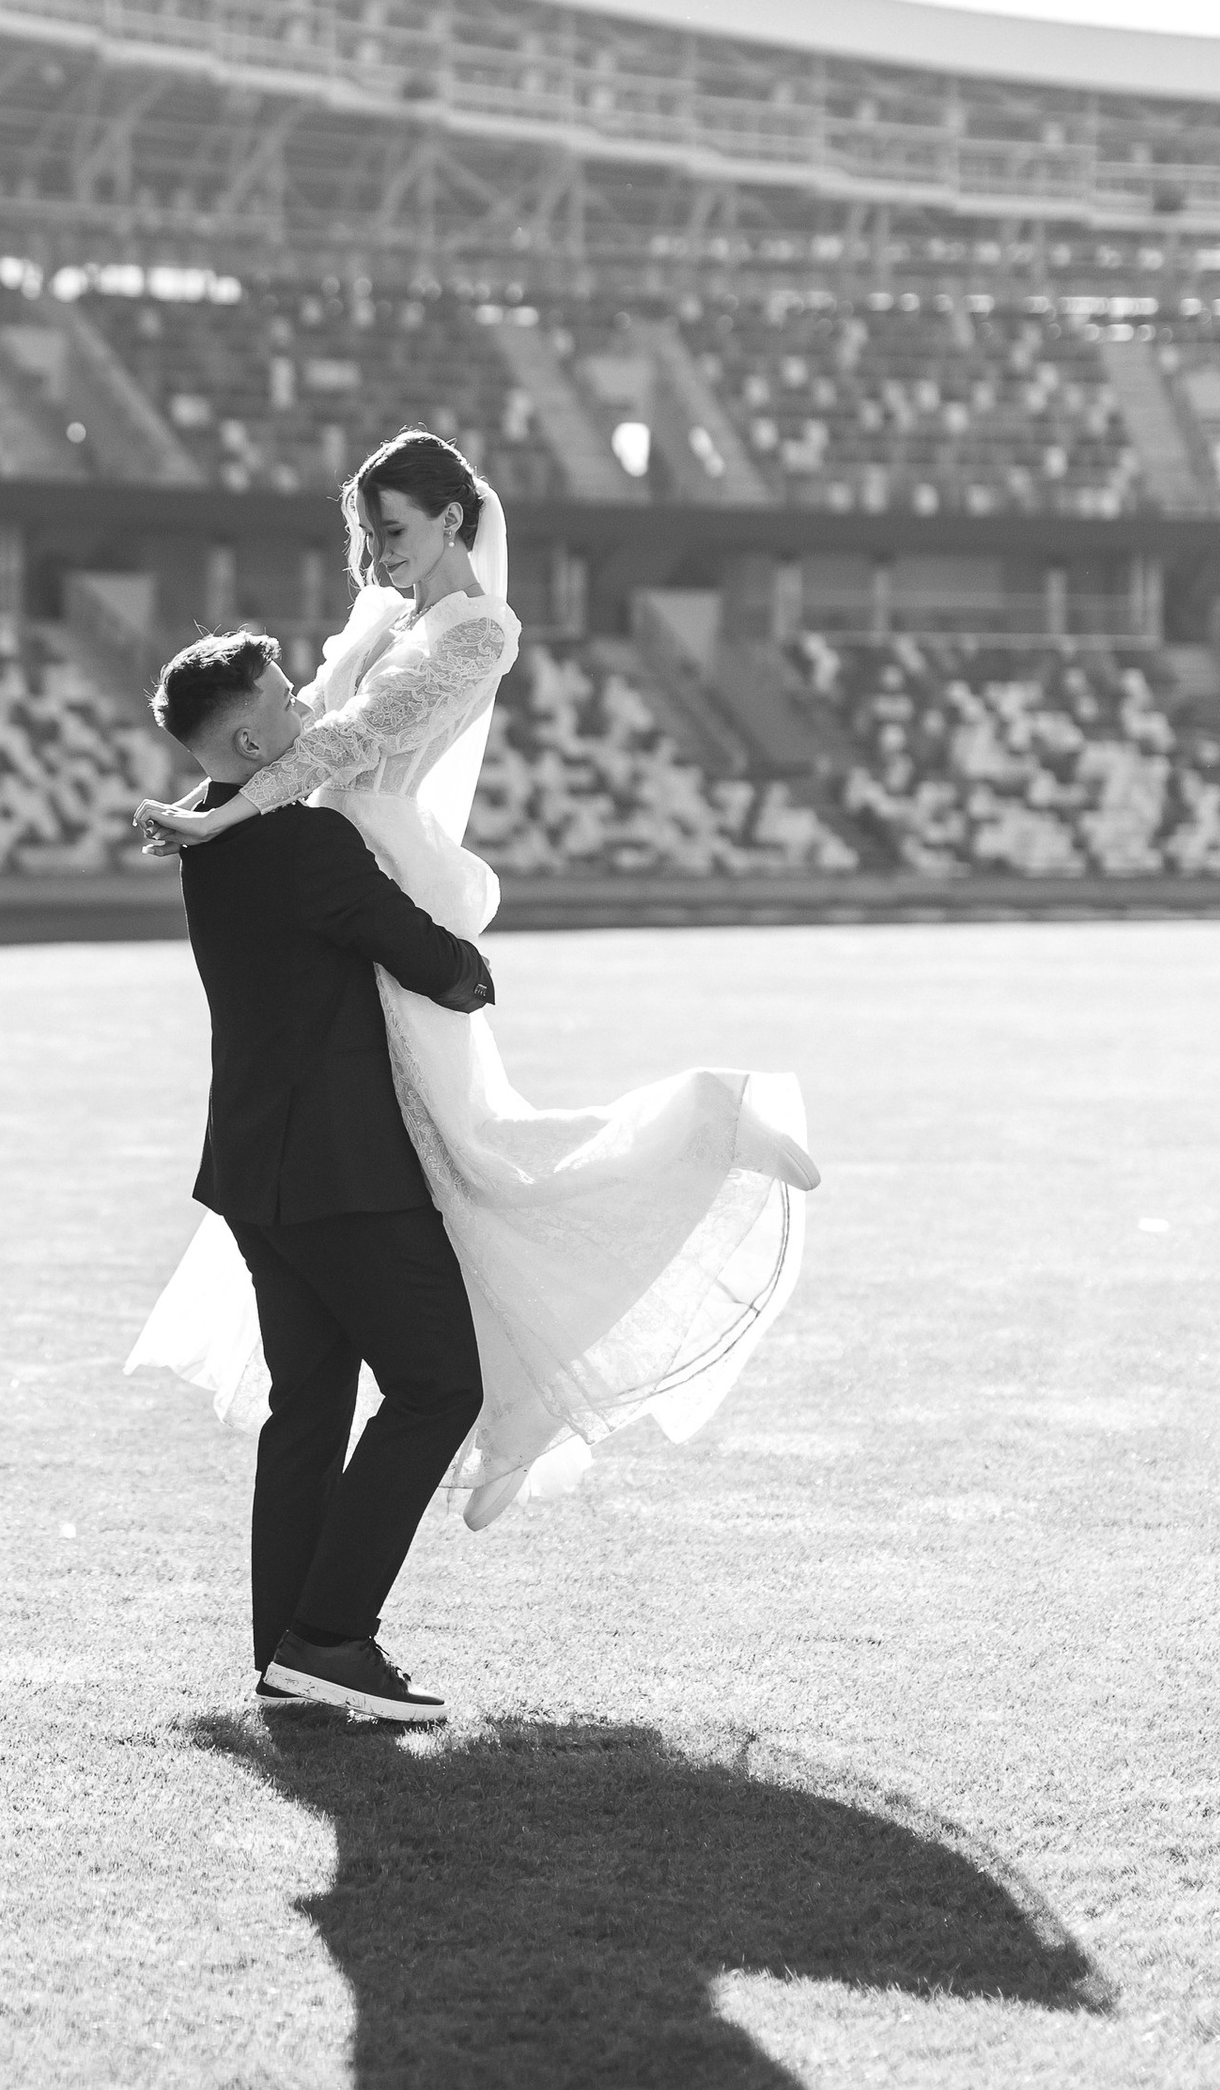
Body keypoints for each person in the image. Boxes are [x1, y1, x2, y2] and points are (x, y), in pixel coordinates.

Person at [129, 425, 820, 1550]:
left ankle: (702, 1120)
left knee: (472, 1157)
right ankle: (511, 1400)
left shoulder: (478, 630)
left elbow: (331, 743)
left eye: (392, 529)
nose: (377, 552)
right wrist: (223, 800)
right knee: (451, 1176)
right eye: (363, 531)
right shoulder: (387, 620)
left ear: (454, 519)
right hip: (343, 882)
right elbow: (275, 722)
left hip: (383, 877)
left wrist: (215, 815)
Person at [142, 624, 498, 1726]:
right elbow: (444, 969)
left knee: (308, 1407)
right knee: (440, 1383)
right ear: (250, 733)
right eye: (290, 698)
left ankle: (285, 1659)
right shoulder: (304, 843)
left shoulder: (212, 836)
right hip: (341, 1169)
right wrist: (465, 939)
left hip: (257, 1165)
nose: (312, 709)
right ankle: (332, 1635)